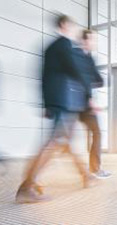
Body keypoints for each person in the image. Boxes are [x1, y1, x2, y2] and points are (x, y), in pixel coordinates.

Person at [15, 15, 93, 203]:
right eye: (72, 27)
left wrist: (46, 103)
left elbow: (42, 76)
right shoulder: (64, 45)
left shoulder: (49, 48)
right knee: (54, 142)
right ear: (64, 25)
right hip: (62, 100)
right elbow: (74, 69)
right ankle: (27, 186)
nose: (74, 31)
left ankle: (84, 175)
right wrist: (88, 93)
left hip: (55, 100)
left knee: (62, 141)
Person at [75, 29, 111, 179]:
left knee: (96, 133)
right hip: (78, 103)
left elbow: (99, 80)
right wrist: (89, 98)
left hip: (85, 104)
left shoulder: (89, 58)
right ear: (84, 41)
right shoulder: (75, 55)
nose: (94, 43)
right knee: (60, 139)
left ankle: (94, 168)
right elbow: (79, 79)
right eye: (92, 39)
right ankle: (93, 169)